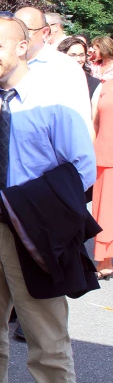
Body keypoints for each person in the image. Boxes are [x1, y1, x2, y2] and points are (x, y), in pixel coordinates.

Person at [0, 13, 95, 383]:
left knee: (47, 341)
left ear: (23, 47)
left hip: (35, 231)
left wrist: (37, 213)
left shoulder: (53, 103)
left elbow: (81, 170)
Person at [15, 7, 94, 132]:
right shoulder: (5, 65)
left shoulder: (65, 67)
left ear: (45, 32)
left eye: (27, 30)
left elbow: (82, 125)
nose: (19, 35)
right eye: (15, 29)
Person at [92, 79, 113, 279]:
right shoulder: (104, 85)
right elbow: (94, 121)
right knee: (105, 210)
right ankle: (105, 258)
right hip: (105, 154)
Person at [57, 35, 101, 121]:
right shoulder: (52, 79)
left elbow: (93, 119)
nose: (78, 59)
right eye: (72, 55)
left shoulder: (93, 83)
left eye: (81, 55)